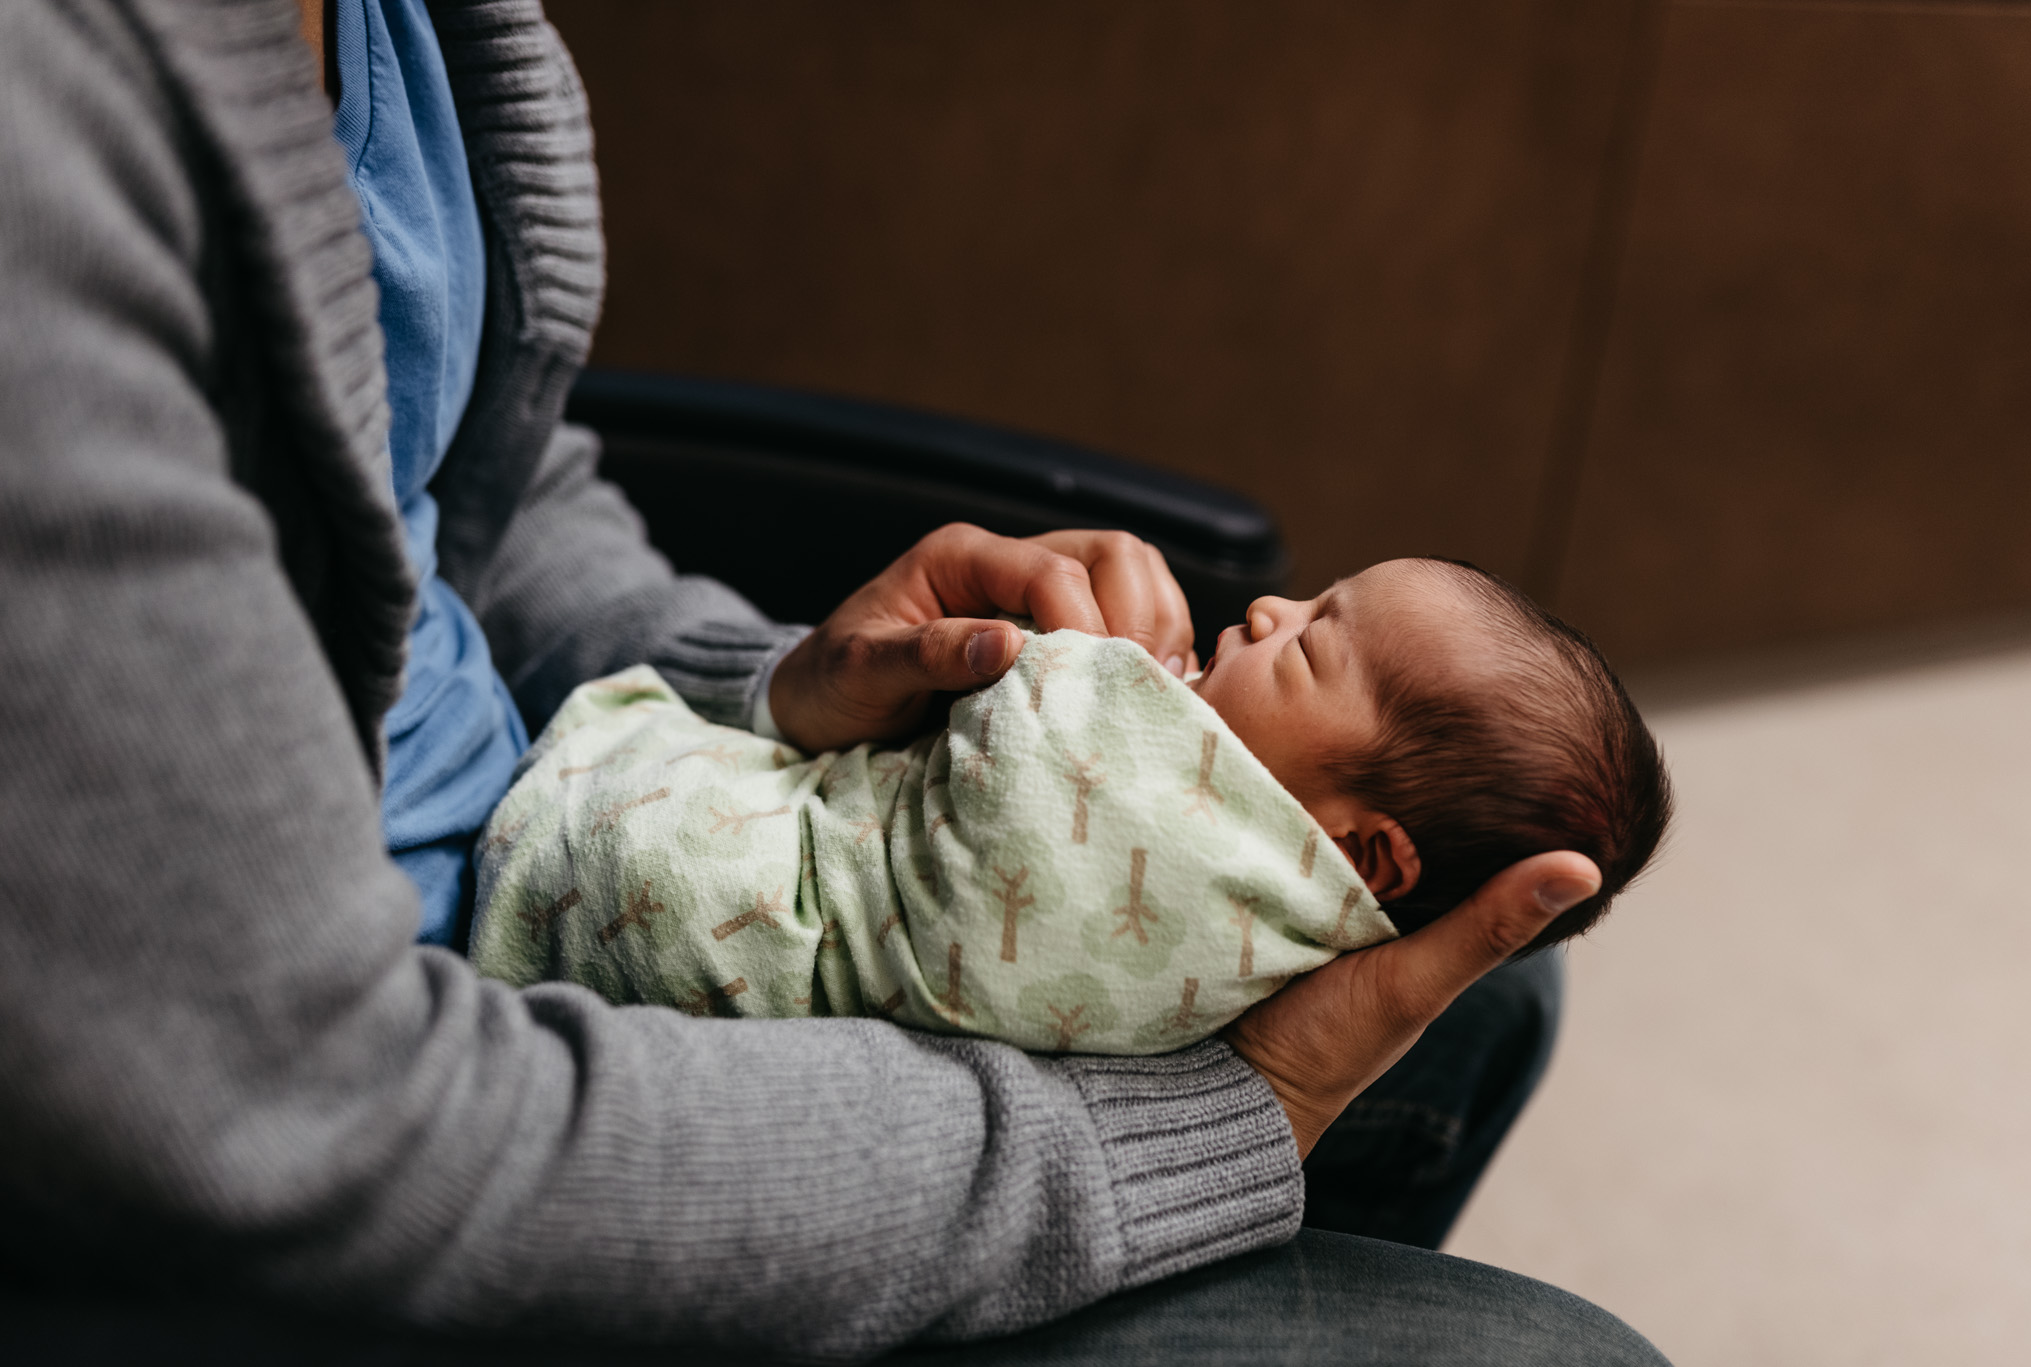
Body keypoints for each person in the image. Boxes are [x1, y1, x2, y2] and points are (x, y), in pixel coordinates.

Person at [0, 1, 1669, 1362]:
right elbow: (307, 1131)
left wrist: (781, 691)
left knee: (1484, 1001)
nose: (1267, 613)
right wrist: (1235, 1118)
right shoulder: (47, 147)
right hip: (394, 1095)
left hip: (545, 809)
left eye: (1321, 638)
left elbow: (475, 494)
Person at [466, 559, 1671, 1058]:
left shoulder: (1193, 848)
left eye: (1308, 650)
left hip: (674, 912)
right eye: (1308, 600)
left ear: (1363, 849)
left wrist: (1077, 664)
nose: (1262, 608)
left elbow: (1017, 794)